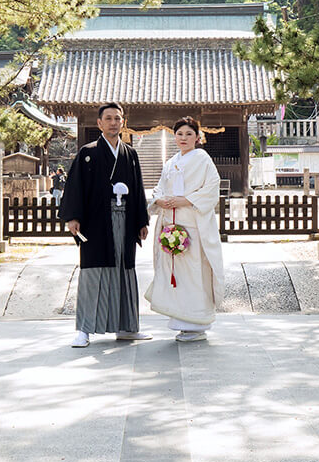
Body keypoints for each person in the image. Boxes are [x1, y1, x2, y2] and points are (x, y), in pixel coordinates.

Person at [60, 102, 151, 348]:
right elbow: (75, 187)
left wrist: (141, 220)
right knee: (93, 272)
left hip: (126, 219)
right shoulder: (87, 153)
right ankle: (84, 330)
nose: (113, 122)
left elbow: (138, 188)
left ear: (123, 122)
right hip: (96, 221)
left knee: (124, 270)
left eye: (117, 118)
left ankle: (127, 327)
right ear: (99, 123)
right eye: (108, 118)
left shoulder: (130, 154)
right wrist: (73, 217)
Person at [145, 117, 225, 343]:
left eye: (189, 134)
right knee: (177, 274)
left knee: (195, 272)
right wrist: (159, 200)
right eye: (179, 134)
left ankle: (197, 323)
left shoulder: (203, 159)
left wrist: (186, 200)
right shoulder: (171, 162)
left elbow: (212, 187)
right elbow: (159, 187)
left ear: (197, 137)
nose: (183, 138)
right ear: (174, 137)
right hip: (171, 223)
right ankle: (182, 322)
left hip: (193, 223)